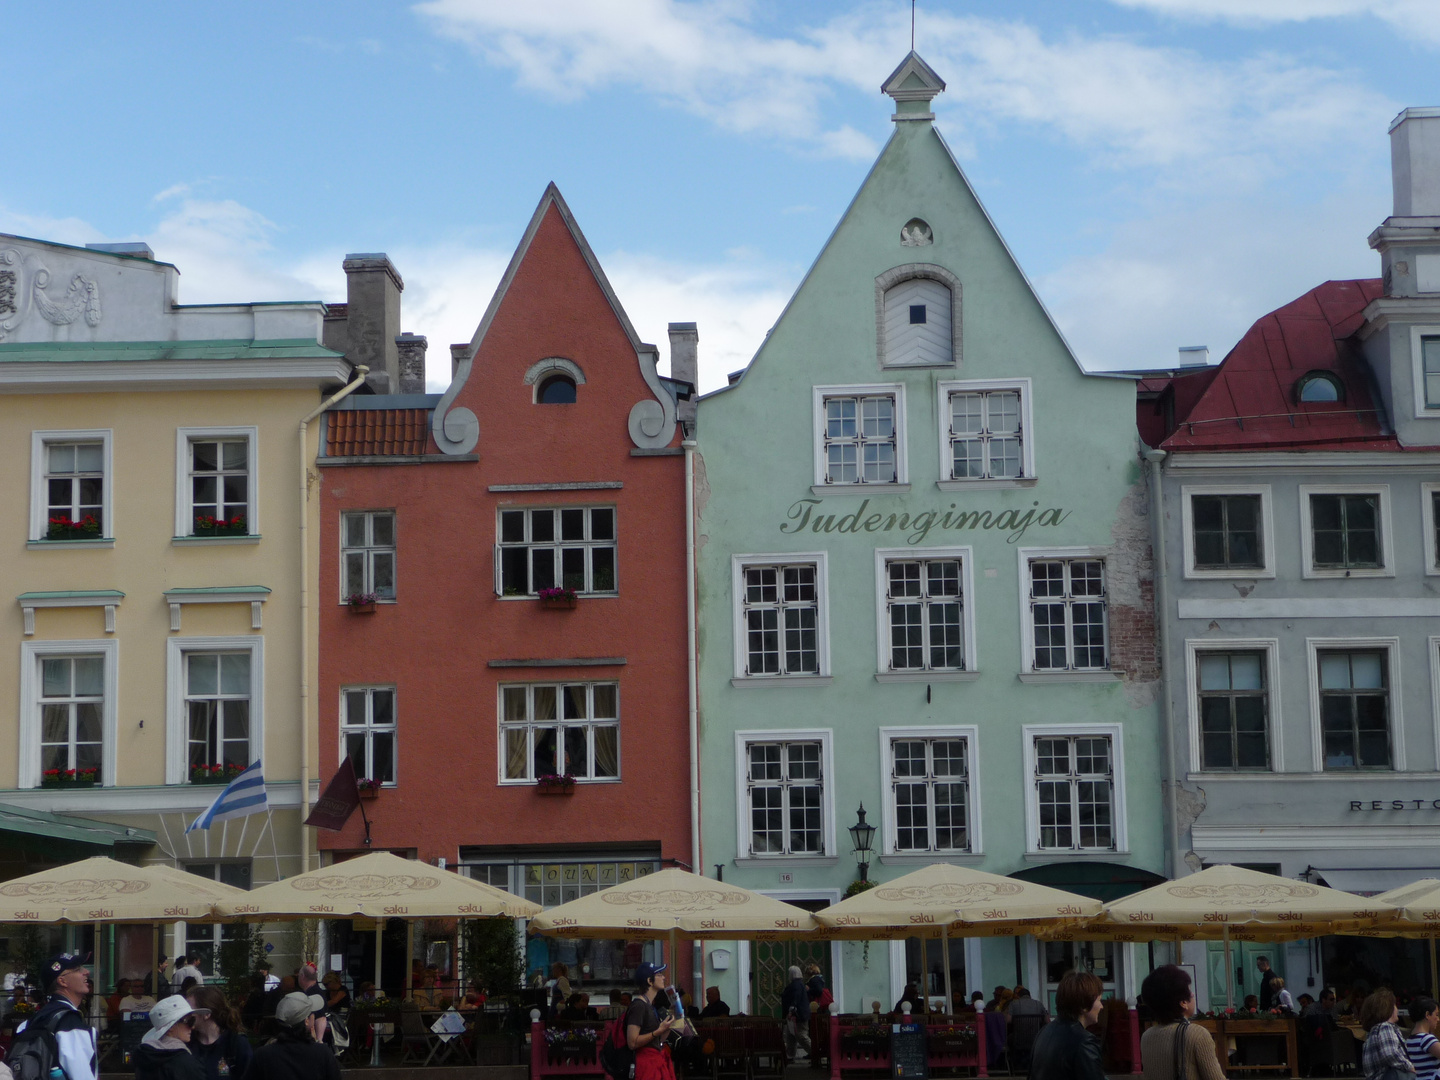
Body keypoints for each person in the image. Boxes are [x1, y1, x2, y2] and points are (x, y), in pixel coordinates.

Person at [1138, 964, 1226, 1080]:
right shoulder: (1197, 1034)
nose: (1193, 994)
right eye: (1190, 991)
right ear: (1183, 1002)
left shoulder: (1146, 1036)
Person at [22, 952, 98, 1080]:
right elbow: (81, 1075)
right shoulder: (69, 1021)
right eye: (78, 969)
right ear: (62, 981)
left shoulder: (32, 1021)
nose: (86, 972)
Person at [1027, 971, 1107, 1080]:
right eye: (1099, 1000)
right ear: (1084, 1005)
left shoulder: (1043, 1032)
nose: (1101, 1006)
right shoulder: (1084, 1041)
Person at [248, 992, 341, 1080]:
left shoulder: (263, 1055)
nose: (314, 1017)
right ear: (306, 1021)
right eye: (312, 1014)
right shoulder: (323, 1053)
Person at [185, 986, 251, 1080]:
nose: (185, 1016)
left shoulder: (236, 1043)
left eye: (190, 1012)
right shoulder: (187, 1041)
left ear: (206, 1014)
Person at [134, 995, 208, 1080]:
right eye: (189, 1022)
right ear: (171, 1027)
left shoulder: (144, 1056)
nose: (192, 1027)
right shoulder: (185, 1063)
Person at [626, 962, 677, 1080]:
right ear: (650, 981)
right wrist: (659, 1030)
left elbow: (657, 1040)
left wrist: (668, 1024)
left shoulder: (650, 1006)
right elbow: (632, 1043)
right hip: (646, 1067)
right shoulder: (639, 1006)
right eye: (659, 974)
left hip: (654, 1063)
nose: (663, 977)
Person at [1361, 988, 1417, 1080]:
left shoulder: (1373, 1032)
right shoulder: (1385, 1027)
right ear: (1388, 1008)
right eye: (1394, 1005)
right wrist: (1410, 1067)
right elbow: (1390, 1054)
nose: (1397, 1009)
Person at [781, 965, 811, 1062]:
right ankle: (790, 1055)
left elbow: (795, 998)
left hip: (798, 1015)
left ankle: (814, 1052)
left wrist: (791, 1010)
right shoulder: (799, 984)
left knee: (801, 1035)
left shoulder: (796, 985)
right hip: (798, 1014)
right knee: (791, 1036)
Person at [1406, 996, 1440, 1080]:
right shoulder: (1427, 1039)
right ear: (1427, 1015)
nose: (1438, 1019)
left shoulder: (1409, 1040)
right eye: (1436, 1014)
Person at [295, 965, 328, 1045]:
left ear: (302, 976)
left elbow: (313, 1018)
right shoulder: (319, 992)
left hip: (309, 1039)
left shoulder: (311, 996)